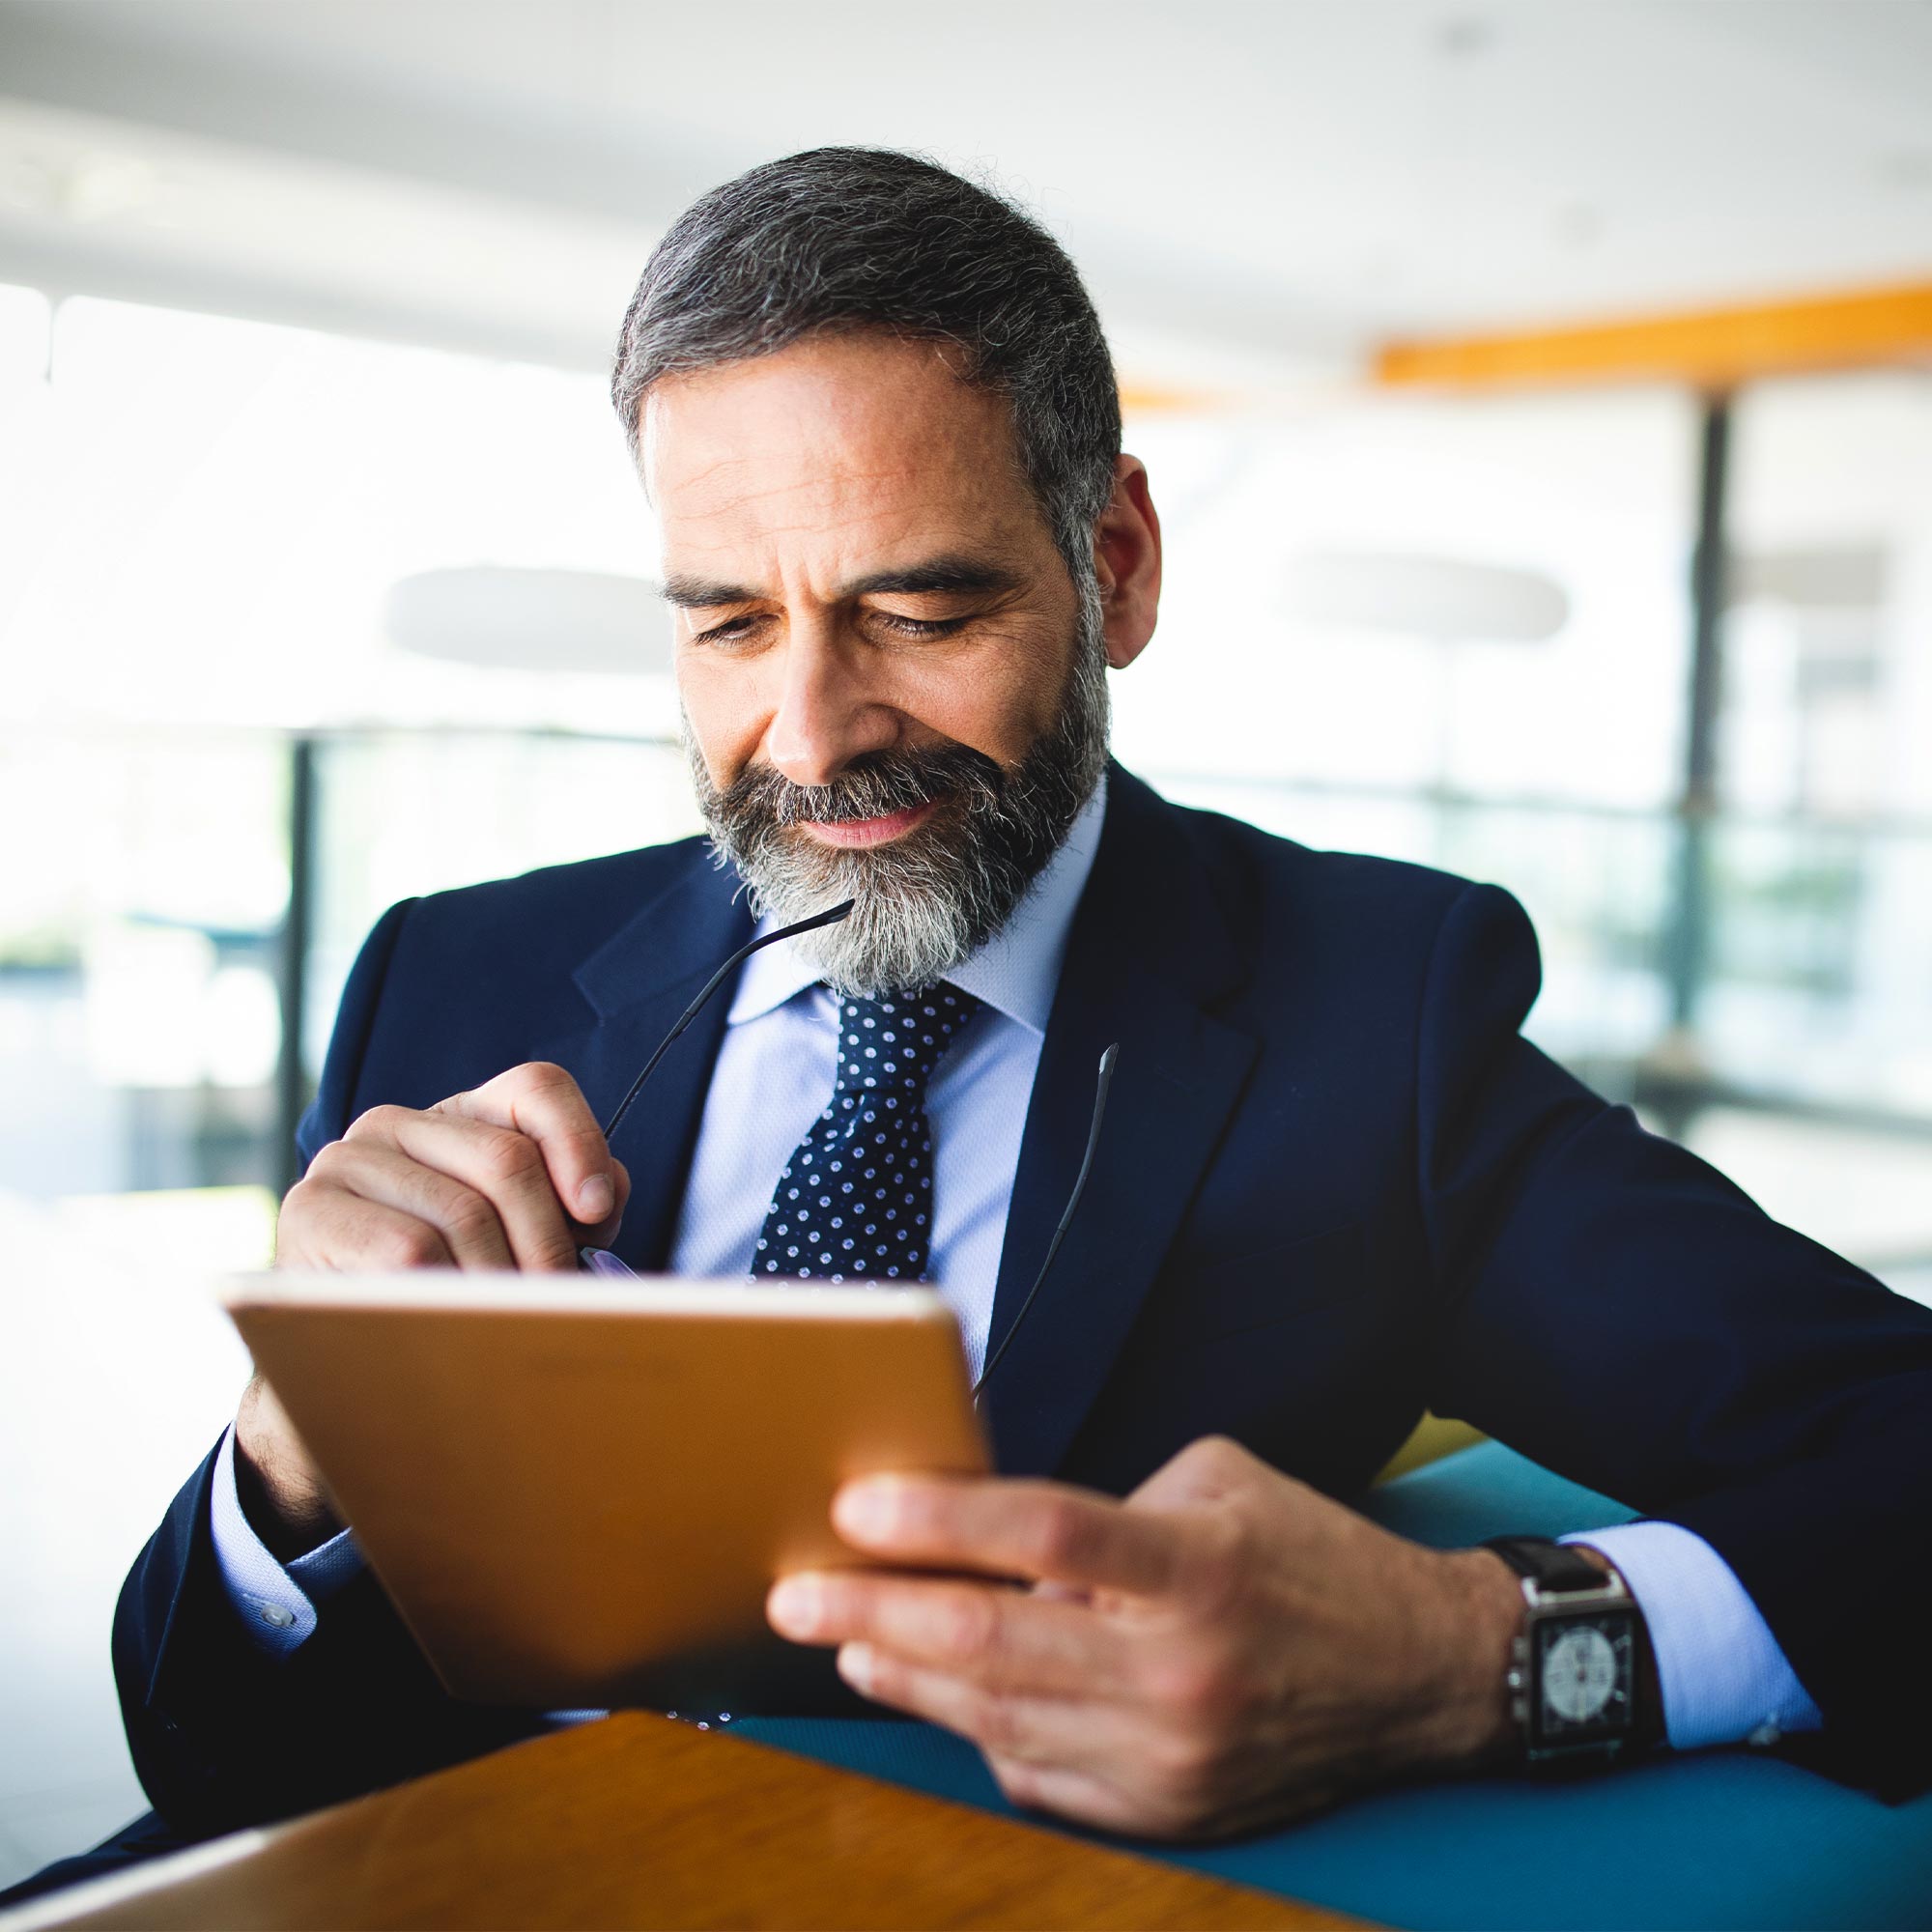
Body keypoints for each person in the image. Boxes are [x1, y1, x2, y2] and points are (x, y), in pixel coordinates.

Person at [108, 148, 1932, 1852]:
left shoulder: (1375, 1027)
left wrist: (1468, 1655)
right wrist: (290, 1467)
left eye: (917, 610)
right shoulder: (449, 971)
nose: (812, 738)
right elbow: (203, 1750)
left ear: (1116, 565)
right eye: (731, 623)